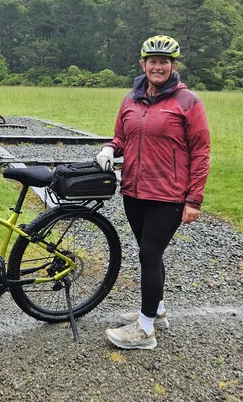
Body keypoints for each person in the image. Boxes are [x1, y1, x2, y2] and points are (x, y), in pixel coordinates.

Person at [97, 35, 210, 350]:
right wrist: (109, 148)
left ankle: (145, 330)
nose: (157, 67)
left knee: (148, 254)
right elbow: (121, 137)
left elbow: (201, 152)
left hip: (168, 195)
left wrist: (194, 200)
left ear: (173, 65)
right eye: (152, 61)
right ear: (143, 64)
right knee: (151, 253)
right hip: (134, 191)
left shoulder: (188, 102)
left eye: (164, 62)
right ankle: (157, 312)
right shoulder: (130, 99)